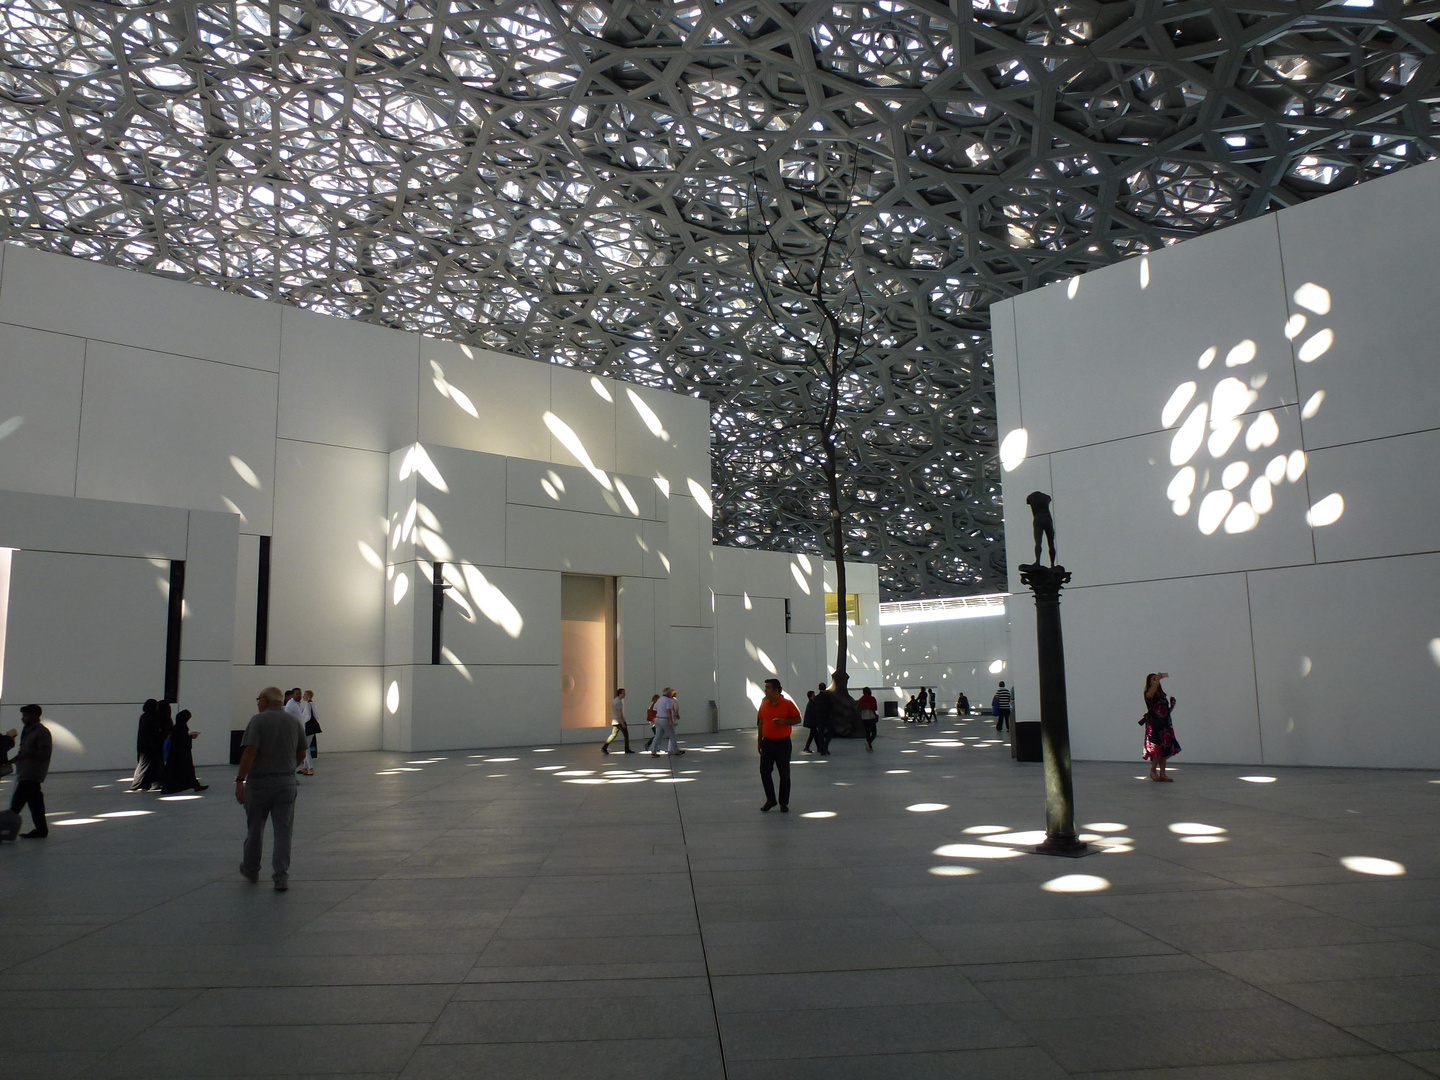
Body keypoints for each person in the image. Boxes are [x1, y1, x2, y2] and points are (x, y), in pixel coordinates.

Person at [236, 686, 308, 890]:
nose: (258, 703)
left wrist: (240, 779)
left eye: (258, 699)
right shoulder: (294, 721)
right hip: (285, 783)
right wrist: (287, 770)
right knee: (284, 832)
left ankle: (251, 869)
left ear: (266, 701)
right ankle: (281, 877)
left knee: (255, 829)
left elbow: (250, 751)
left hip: (259, 783)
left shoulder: (257, 720)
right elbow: (302, 753)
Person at [756, 678, 800, 812]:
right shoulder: (764, 704)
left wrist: (784, 721)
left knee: (784, 774)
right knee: (764, 771)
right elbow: (761, 723)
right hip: (768, 743)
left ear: (776, 689)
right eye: (765, 687)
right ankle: (771, 799)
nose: (765, 690)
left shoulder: (787, 704)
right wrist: (759, 741)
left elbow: (798, 719)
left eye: (768, 687)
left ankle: (783, 802)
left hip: (783, 743)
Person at [10, 704, 53, 838]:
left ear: (34, 715)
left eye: (25, 715)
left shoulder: (41, 732)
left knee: (16, 805)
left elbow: (44, 753)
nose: (23, 718)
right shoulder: (29, 731)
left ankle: (4, 830)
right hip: (26, 772)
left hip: (31, 774)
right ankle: (41, 829)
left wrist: (27, 755)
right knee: (35, 803)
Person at [1141, 672, 1181, 782]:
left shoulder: (1162, 696)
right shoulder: (1149, 693)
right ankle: (1153, 770)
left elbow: (1165, 711)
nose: (1156, 681)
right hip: (1155, 725)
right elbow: (1150, 695)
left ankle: (1163, 773)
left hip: (1165, 724)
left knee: (1165, 750)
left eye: (1156, 679)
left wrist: (1172, 706)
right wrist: (1157, 679)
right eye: (1153, 680)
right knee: (1157, 750)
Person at [160, 709, 208, 793]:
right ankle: (194, 785)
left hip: (176, 754)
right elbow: (182, 740)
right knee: (187, 769)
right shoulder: (182, 727)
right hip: (182, 754)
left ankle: (194, 785)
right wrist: (190, 737)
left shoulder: (176, 727)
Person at [131, 698, 164, 791]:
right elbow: (152, 732)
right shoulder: (151, 717)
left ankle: (145, 784)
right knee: (145, 765)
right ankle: (136, 784)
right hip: (149, 746)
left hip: (144, 745)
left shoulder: (144, 716)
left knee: (147, 765)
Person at [285, 687, 314, 775]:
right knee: (304, 749)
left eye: (300, 694)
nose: (300, 695)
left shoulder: (301, 704)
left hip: (302, 730)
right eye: (297, 694)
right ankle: (308, 767)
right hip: (297, 731)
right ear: (292, 695)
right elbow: (287, 716)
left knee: (304, 749)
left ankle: (305, 768)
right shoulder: (292, 704)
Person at [651, 687, 683, 756]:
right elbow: (668, 710)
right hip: (665, 719)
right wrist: (671, 720)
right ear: (668, 693)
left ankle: (653, 751)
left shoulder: (659, 699)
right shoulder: (668, 700)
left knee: (657, 736)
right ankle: (675, 751)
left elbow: (655, 708)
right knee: (672, 736)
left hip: (658, 719)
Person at [602, 688, 633, 754]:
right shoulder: (618, 702)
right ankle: (627, 749)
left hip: (615, 720)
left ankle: (605, 747)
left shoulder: (615, 700)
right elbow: (620, 713)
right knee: (626, 734)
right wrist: (623, 722)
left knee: (613, 734)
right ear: (620, 694)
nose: (625, 694)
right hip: (619, 721)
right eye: (623, 693)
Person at [857, 686, 879, 751]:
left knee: (867, 732)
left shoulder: (861, 699)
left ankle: (869, 746)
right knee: (874, 732)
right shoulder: (872, 698)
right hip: (871, 717)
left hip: (863, 717)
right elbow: (875, 708)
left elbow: (859, 708)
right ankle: (868, 742)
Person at [303, 690, 321, 761]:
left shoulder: (308, 704)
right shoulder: (313, 704)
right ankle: (306, 767)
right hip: (313, 728)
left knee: (306, 748)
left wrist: (302, 721)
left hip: (309, 728)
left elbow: (308, 716)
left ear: (308, 696)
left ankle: (309, 767)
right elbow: (316, 716)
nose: (303, 696)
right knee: (306, 748)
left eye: (305, 695)